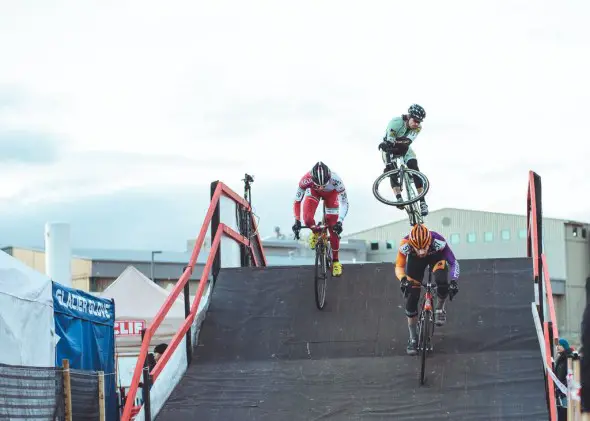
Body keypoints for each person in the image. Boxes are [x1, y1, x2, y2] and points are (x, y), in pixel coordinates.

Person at [395, 223, 460, 355]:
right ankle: (413, 338)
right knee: (412, 297)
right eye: (417, 248)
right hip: (415, 263)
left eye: (424, 247)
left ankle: (440, 308)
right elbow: (399, 267)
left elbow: (453, 262)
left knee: (442, 282)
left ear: (429, 240)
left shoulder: (438, 241)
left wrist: (453, 281)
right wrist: (403, 280)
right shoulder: (405, 244)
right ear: (412, 244)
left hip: (435, 258)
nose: (422, 251)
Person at [292, 161, 349, 277]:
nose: (322, 187)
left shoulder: (337, 180)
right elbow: (297, 201)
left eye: (324, 184)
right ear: (312, 179)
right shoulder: (305, 180)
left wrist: (340, 221)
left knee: (333, 227)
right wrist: (297, 220)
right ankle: (316, 233)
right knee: (307, 219)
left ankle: (336, 261)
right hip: (314, 193)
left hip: (331, 195)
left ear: (329, 178)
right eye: (319, 184)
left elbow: (344, 203)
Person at [378, 104, 428, 216]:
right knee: (392, 170)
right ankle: (399, 198)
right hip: (389, 148)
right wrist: (389, 163)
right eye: (415, 120)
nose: (416, 124)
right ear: (409, 116)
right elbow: (389, 142)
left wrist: (398, 142)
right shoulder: (396, 123)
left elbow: (407, 143)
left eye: (419, 122)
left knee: (414, 166)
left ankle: (423, 202)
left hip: (404, 148)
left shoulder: (418, 127)